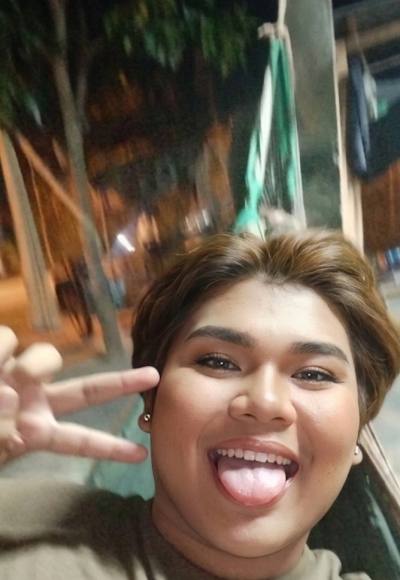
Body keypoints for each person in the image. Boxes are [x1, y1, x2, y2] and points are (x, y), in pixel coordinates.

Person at [0, 230, 399, 579]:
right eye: (218, 362)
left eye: (313, 374)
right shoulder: (21, 530)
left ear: (359, 428)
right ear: (151, 400)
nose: (264, 402)